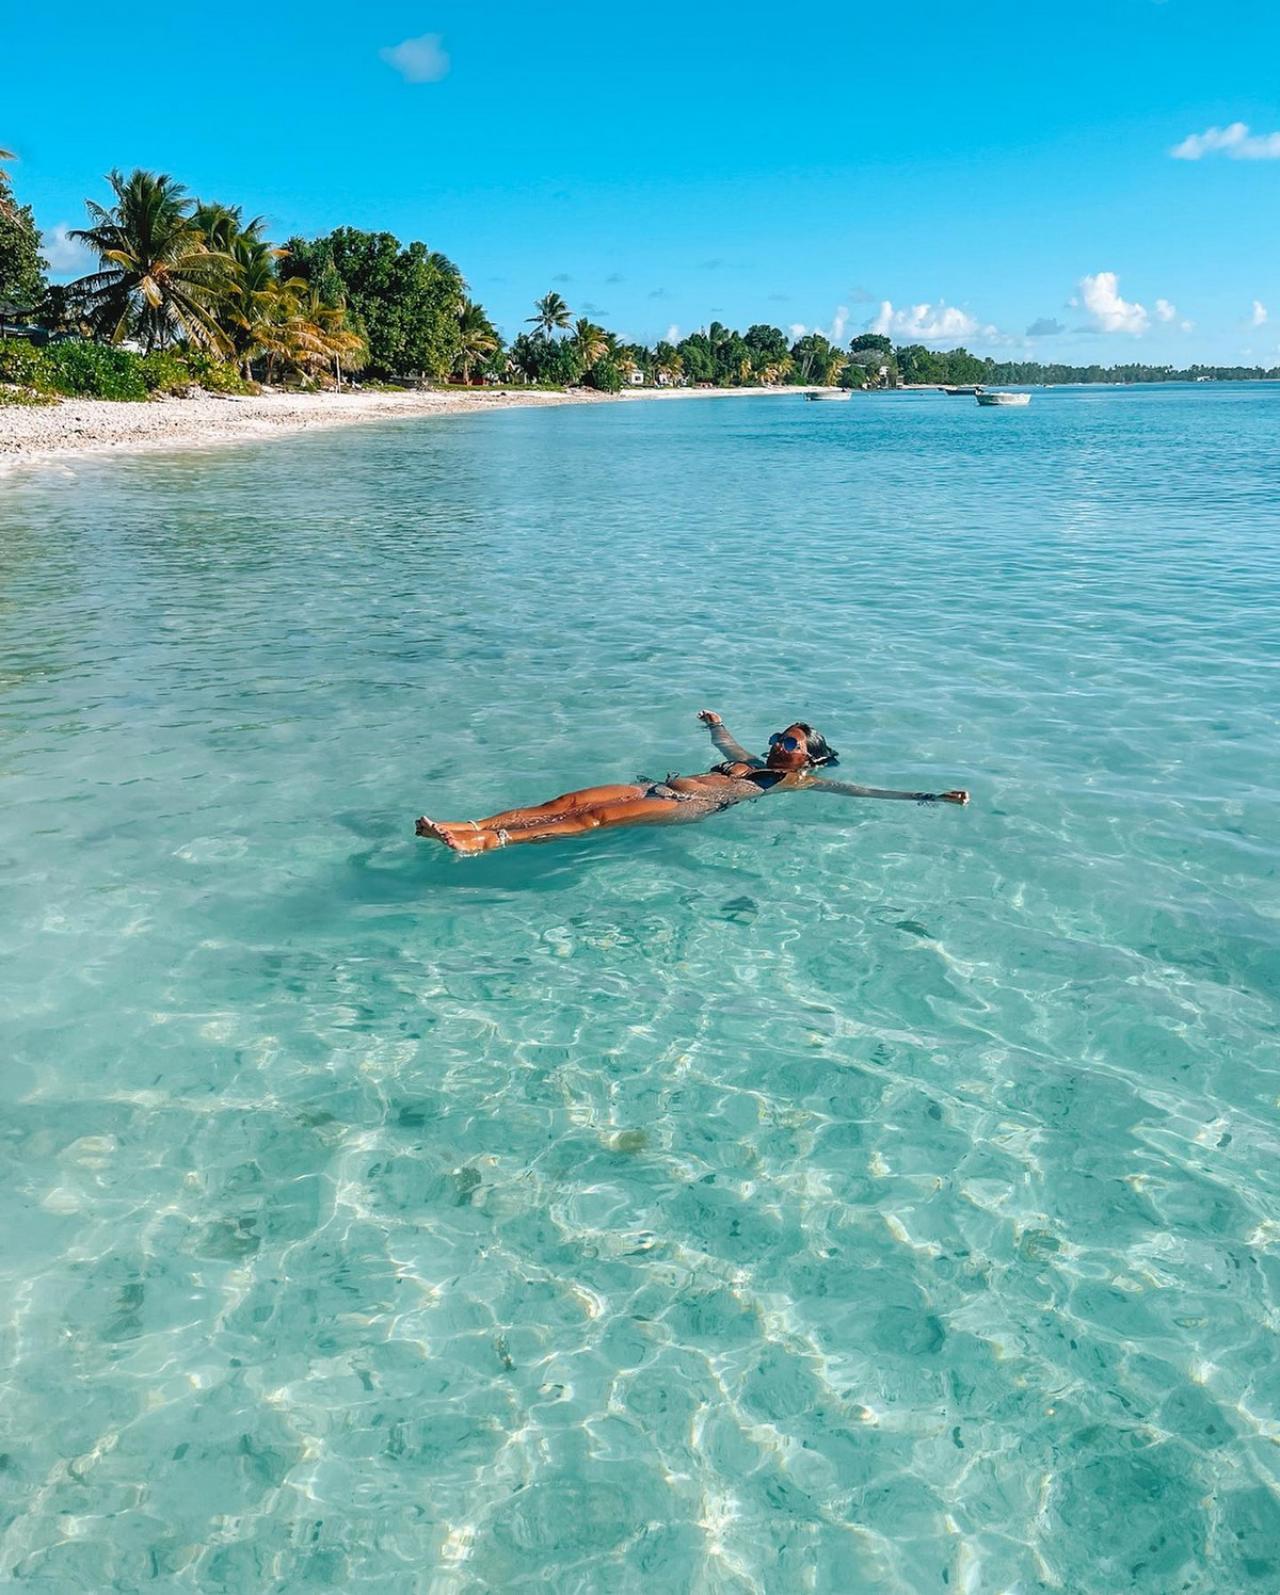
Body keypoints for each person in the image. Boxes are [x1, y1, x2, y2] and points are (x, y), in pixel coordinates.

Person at [415, 711, 969, 854]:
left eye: (792, 742)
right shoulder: (751, 758)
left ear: (808, 759)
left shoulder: (795, 784)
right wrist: (717, 725)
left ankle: (485, 843)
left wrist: (929, 797)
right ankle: (470, 822)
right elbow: (724, 749)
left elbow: (862, 792)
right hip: (657, 787)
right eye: (780, 735)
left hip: (686, 807)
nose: (780, 743)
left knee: (591, 819)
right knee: (566, 800)